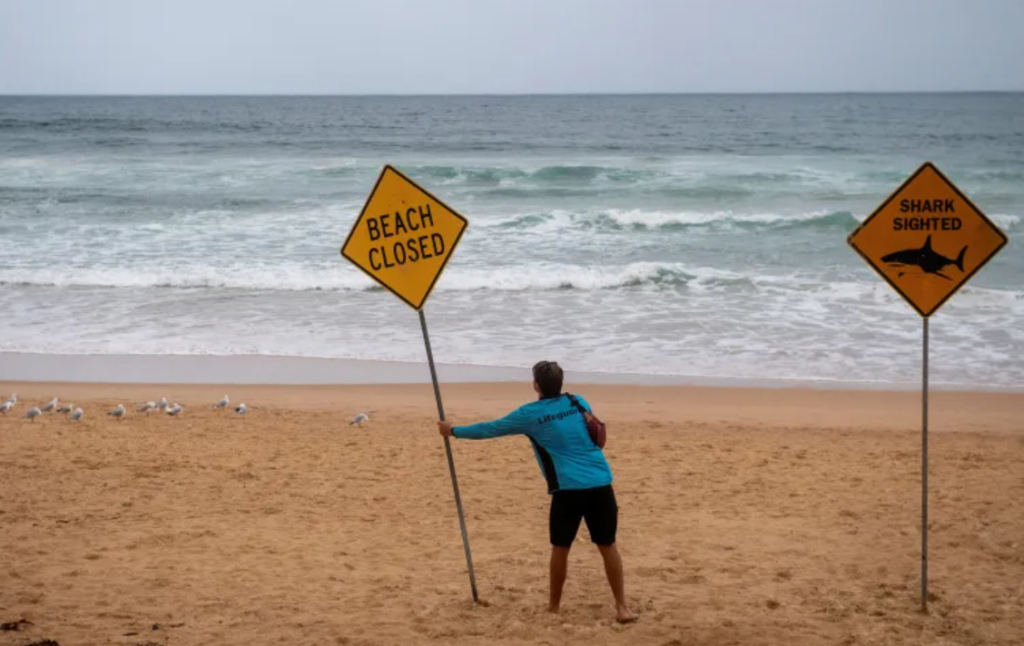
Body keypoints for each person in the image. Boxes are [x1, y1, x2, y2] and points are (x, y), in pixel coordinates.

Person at [437, 360, 636, 623]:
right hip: (601, 481)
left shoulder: (529, 415)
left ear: (536, 384)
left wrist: (453, 431)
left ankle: (554, 607)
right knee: (607, 544)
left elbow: (491, 429)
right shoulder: (578, 402)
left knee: (561, 546)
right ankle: (622, 607)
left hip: (568, 489)